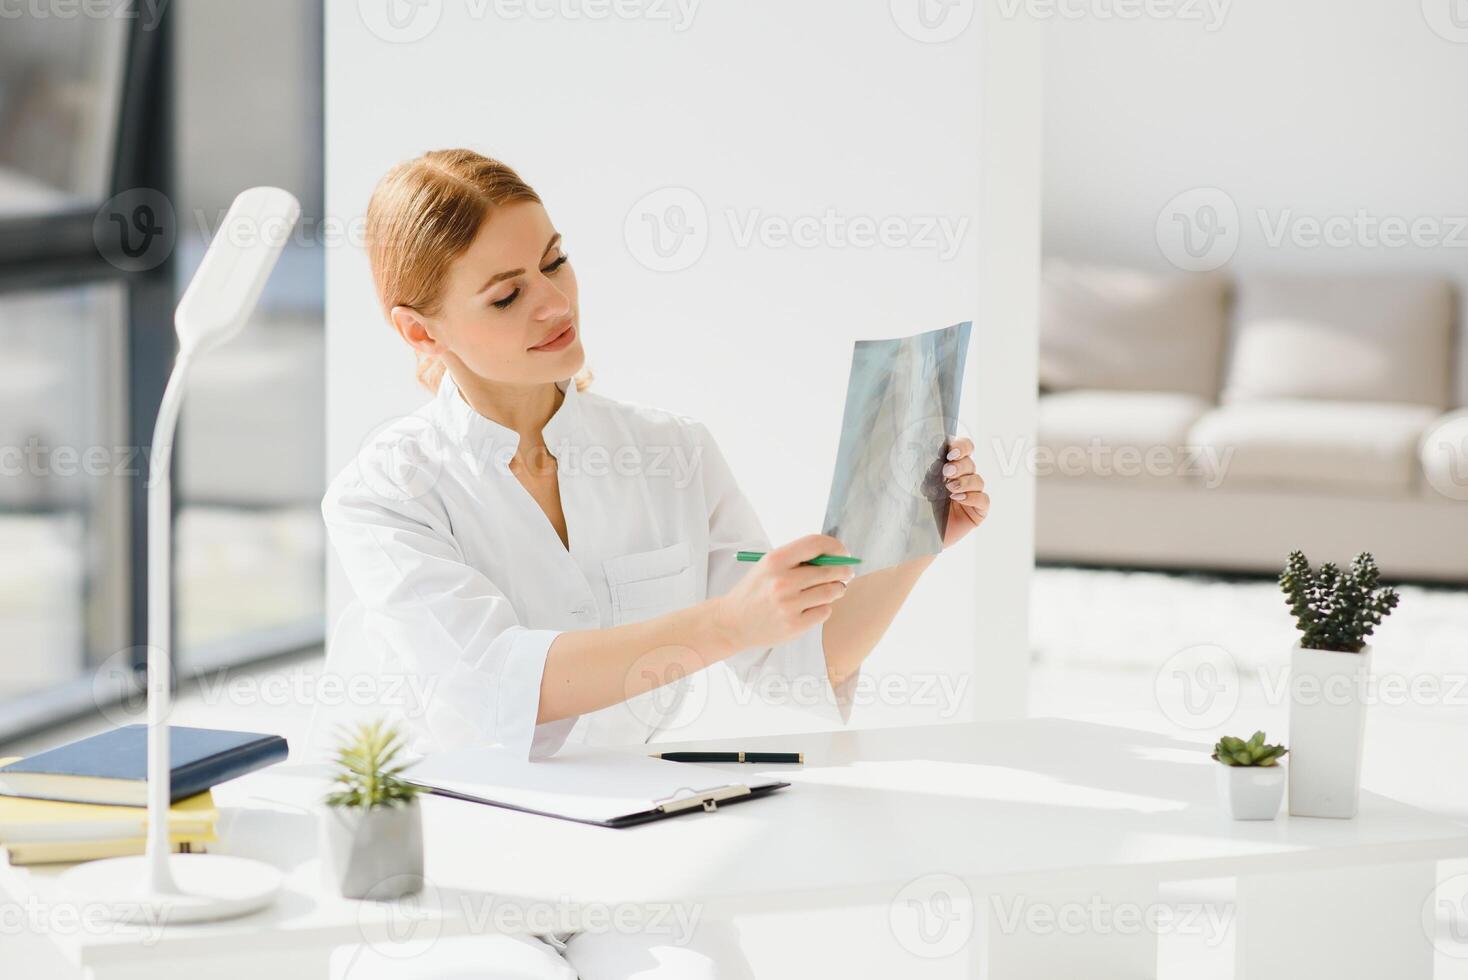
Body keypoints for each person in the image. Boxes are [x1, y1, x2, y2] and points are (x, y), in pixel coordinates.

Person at [321, 148, 991, 979]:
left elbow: (793, 663)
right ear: (419, 329)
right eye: (507, 294)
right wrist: (722, 622)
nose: (555, 301)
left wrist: (918, 541)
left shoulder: (670, 452)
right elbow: (498, 684)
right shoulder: (385, 491)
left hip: (639, 852)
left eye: (556, 260)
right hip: (463, 867)